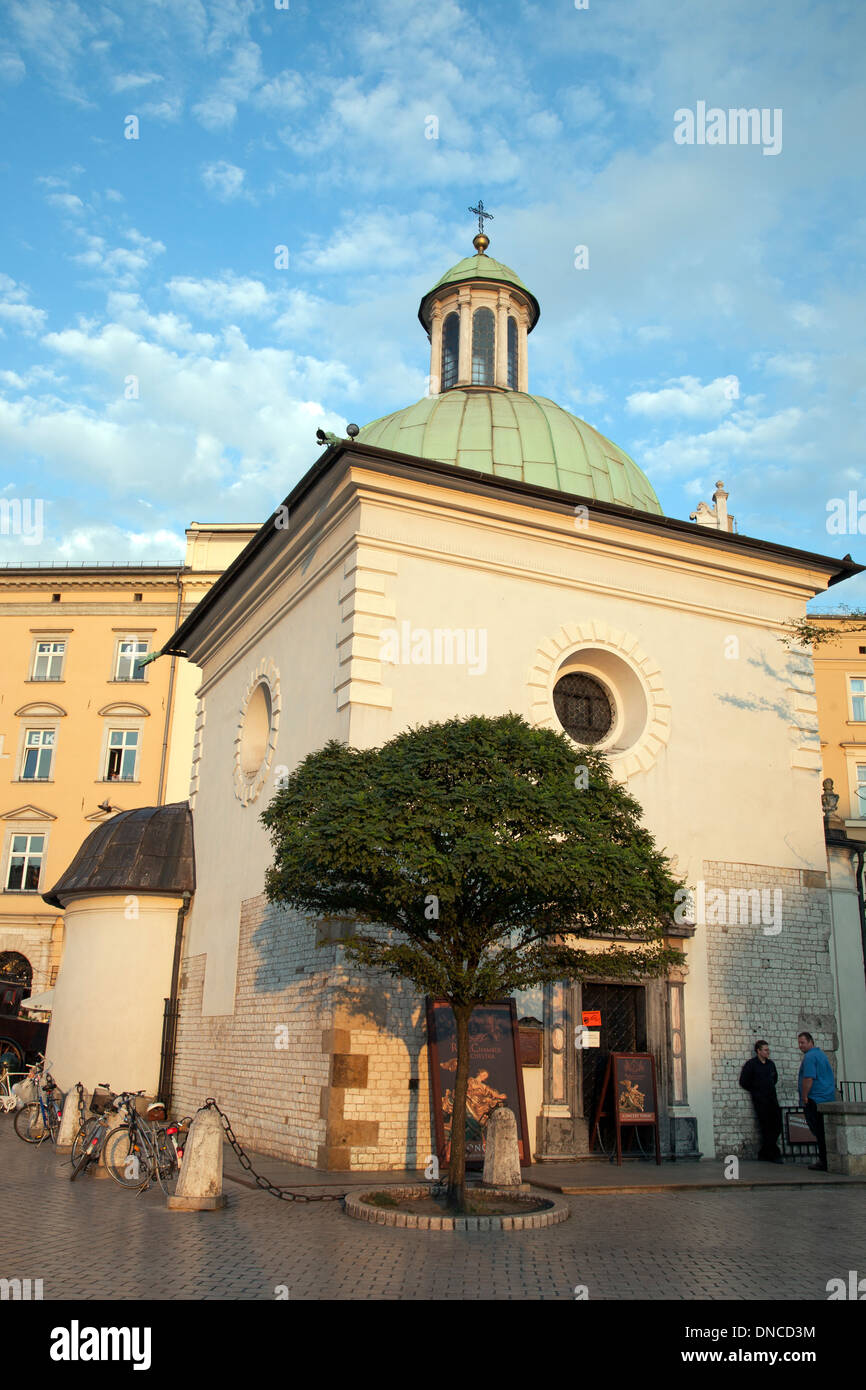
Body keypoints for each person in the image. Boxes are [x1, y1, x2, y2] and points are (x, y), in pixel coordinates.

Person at [797, 1032, 836, 1171]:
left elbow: (808, 1078)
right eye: (799, 1043)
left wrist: (805, 1096)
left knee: (819, 1131)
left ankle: (824, 1161)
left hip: (815, 1099)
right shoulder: (821, 1055)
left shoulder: (810, 1057)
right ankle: (827, 1160)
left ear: (810, 1042)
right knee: (825, 1131)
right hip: (827, 1097)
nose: (800, 1046)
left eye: (803, 1042)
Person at [739, 1040, 783, 1162]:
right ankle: (773, 1153)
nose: (768, 1052)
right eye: (765, 1050)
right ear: (758, 1051)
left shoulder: (770, 1064)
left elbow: (775, 1078)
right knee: (766, 1126)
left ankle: (765, 1152)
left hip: (772, 1098)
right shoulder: (751, 1065)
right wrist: (756, 1090)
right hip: (760, 1100)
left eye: (768, 1050)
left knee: (777, 1124)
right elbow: (744, 1081)